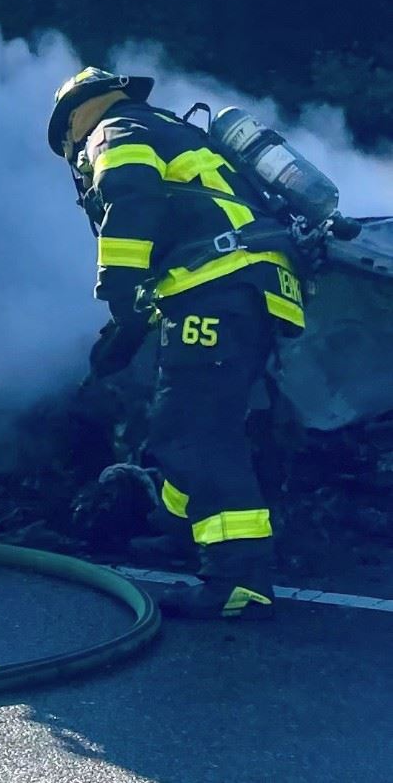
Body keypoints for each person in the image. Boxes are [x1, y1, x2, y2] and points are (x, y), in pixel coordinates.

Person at [47, 66, 306, 619]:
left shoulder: (114, 130)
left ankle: (238, 580)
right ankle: (187, 534)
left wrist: (116, 290)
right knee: (186, 427)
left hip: (220, 286)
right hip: (251, 287)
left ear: (74, 118)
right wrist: (129, 328)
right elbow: (183, 230)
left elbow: (131, 199)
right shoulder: (170, 129)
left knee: (194, 434)